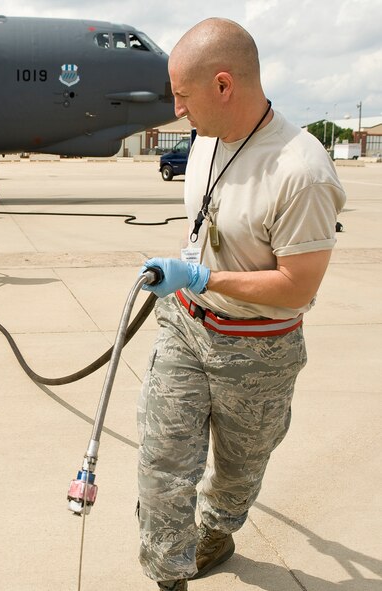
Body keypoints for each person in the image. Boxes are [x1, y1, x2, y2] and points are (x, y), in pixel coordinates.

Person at [136, 18, 346, 591]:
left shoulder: (300, 171)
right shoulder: (205, 143)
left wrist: (207, 276)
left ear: (223, 85)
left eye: (182, 94)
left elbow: (298, 287)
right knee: (162, 465)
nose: (177, 109)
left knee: (236, 471)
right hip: (187, 326)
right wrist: (185, 275)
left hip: (257, 352)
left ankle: (220, 527)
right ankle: (168, 575)